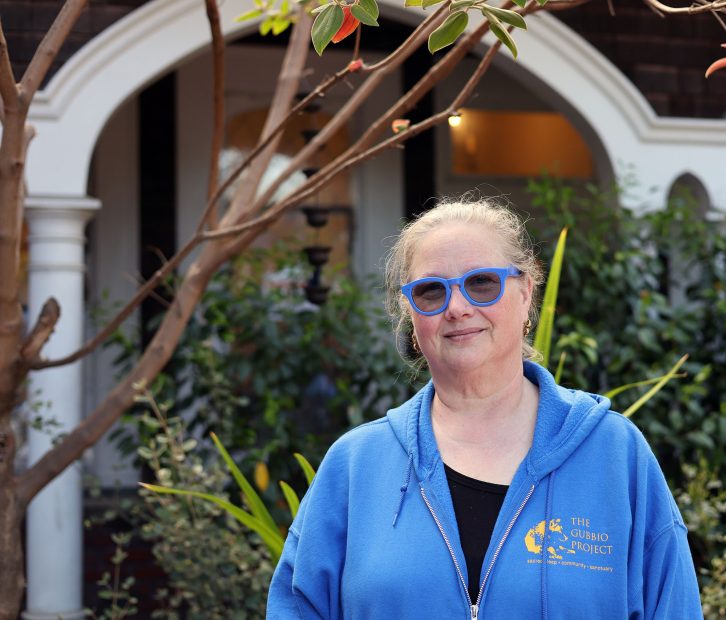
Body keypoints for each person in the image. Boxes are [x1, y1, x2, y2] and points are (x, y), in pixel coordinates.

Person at [267, 198, 703, 619]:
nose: (457, 307)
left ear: (526, 293)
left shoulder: (615, 455)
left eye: (481, 283)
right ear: (412, 319)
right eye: (431, 291)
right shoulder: (355, 465)